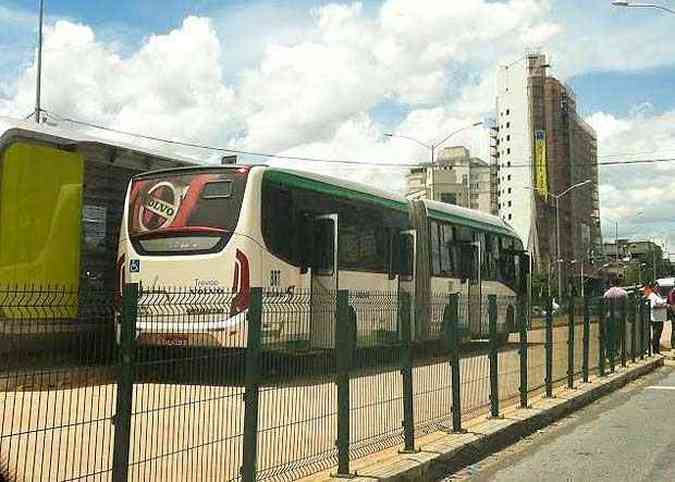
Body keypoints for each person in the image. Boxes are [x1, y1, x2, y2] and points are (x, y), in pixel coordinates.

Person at [603, 277, 628, 356]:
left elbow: (604, 305)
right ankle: (616, 351)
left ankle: (608, 352)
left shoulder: (607, 293)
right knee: (618, 335)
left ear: (612, 283)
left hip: (609, 316)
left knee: (609, 335)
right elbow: (626, 305)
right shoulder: (623, 293)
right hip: (619, 316)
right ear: (620, 283)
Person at [648, 283, 668, 354]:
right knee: (656, 334)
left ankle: (657, 350)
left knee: (658, 334)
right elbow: (653, 306)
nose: (658, 288)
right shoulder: (652, 295)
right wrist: (663, 306)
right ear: (652, 288)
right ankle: (654, 350)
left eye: (658, 287)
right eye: (656, 287)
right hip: (655, 318)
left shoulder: (658, 294)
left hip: (660, 317)